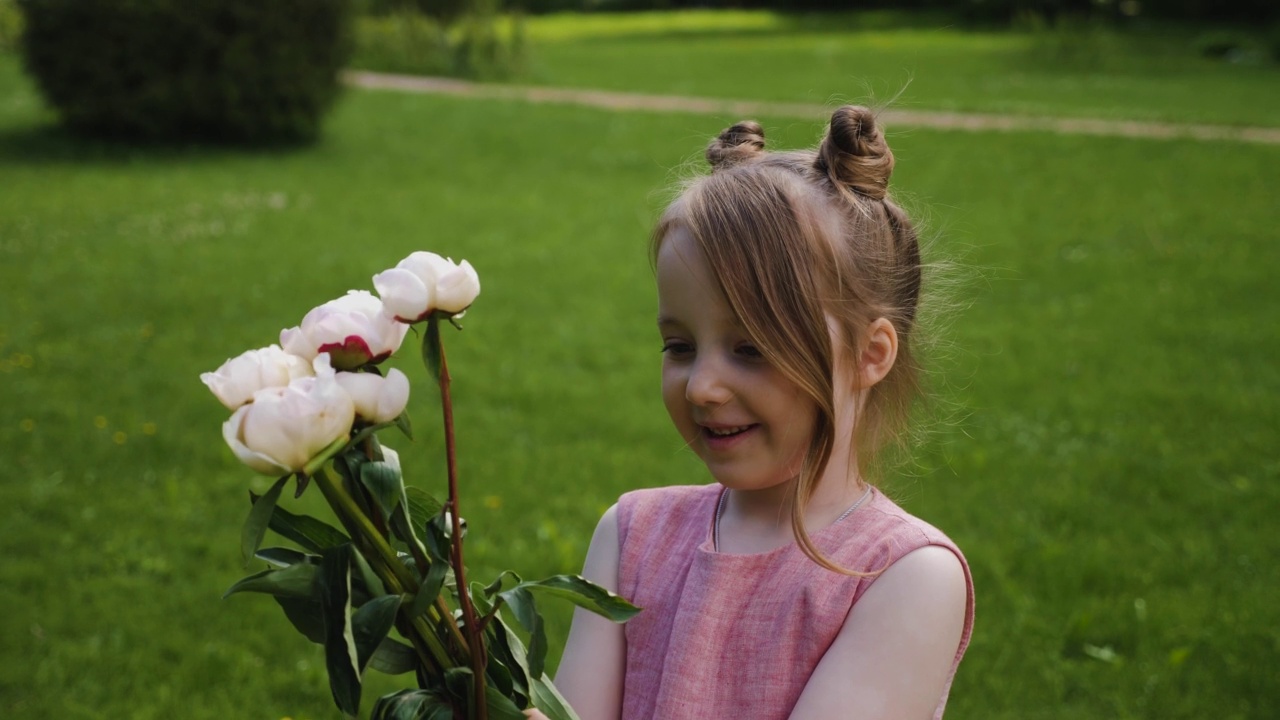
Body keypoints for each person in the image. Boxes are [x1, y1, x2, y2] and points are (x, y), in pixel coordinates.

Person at [534, 106, 974, 720]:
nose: (702, 388)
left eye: (752, 348)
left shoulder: (904, 577)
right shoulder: (632, 536)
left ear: (869, 355)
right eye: (680, 347)